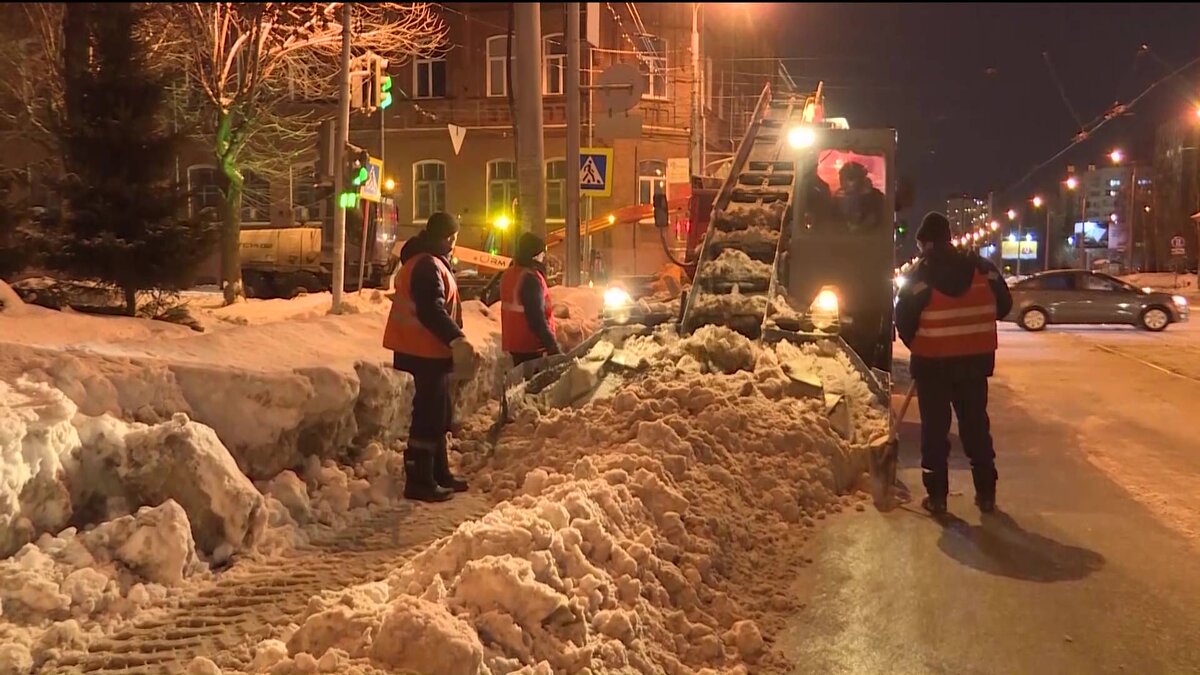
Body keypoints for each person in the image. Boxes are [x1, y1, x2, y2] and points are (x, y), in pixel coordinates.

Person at [895, 212, 1013, 516]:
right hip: (974, 365)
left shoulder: (918, 275)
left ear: (925, 243)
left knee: (934, 432)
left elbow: (904, 322)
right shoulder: (982, 269)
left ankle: (937, 498)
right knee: (975, 426)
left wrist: (922, 346)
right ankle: (986, 494)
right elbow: (1004, 306)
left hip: (932, 366)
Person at [383, 212, 478, 502]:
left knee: (438, 413)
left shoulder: (428, 261)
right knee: (427, 416)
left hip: (427, 350)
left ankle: (439, 473)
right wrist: (455, 338)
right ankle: (420, 480)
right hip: (423, 351)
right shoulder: (427, 265)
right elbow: (430, 310)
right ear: (449, 237)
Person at [500, 232, 561, 366]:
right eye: (541, 253)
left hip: (513, 343)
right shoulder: (530, 278)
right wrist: (552, 346)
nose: (543, 257)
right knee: (533, 383)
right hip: (531, 344)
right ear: (535, 255)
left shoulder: (509, 274)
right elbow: (536, 318)